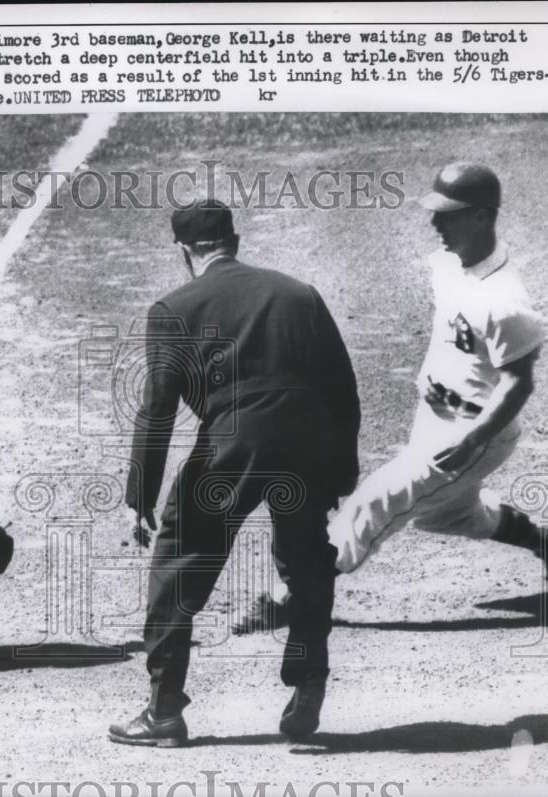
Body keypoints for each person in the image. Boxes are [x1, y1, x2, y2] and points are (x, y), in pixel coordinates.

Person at [234, 163, 548, 636]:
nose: (435, 223)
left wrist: (474, 439)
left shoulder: (506, 301)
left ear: (481, 216)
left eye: (448, 214)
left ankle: (287, 598)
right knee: (449, 515)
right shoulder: (445, 263)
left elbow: (519, 384)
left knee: (373, 503)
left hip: (471, 433)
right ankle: (545, 539)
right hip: (434, 418)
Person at [108, 199, 361, 747]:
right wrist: (341, 466)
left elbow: (157, 408)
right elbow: (343, 387)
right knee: (305, 560)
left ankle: (163, 710)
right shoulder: (300, 293)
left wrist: (141, 494)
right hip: (308, 438)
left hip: (235, 441)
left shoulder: (172, 307)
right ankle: (309, 678)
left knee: (179, 561)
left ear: (184, 253)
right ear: (235, 241)